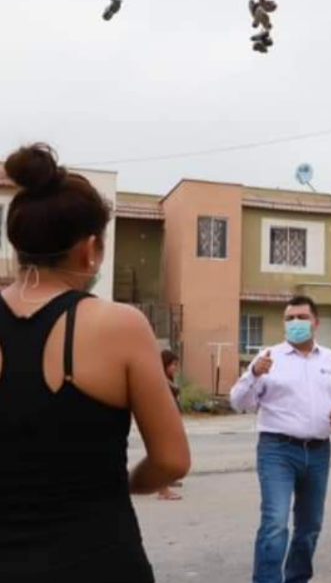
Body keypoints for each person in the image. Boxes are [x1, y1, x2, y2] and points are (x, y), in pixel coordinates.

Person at [0, 143, 190, 583]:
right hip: (100, 558)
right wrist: (117, 485)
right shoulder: (120, 325)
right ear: (90, 251)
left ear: (17, 246)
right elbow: (171, 461)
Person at [230, 295, 331, 583]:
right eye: (289, 319)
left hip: (317, 452)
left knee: (310, 526)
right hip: (277, 450)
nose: (295, 323)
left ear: (315, 322)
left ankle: (297, 578)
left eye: (301, 317)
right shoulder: (268, 358)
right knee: (275, 523)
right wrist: (252, 374)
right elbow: (238, 402)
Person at [157, 349, 183, 501]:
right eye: (173, 364)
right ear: (164, 364)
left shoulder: (167, 377)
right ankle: (162, 490)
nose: (175, 368)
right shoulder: (159, 379)